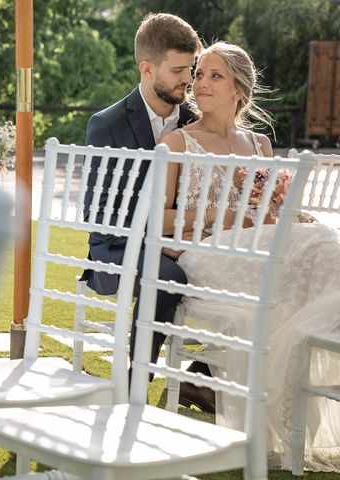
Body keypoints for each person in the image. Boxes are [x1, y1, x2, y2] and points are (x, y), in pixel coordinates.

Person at [161, 41, 340, 472]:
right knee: (315, 250)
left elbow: (270, 209)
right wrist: (215, 214)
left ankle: (296, 380)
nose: (200, 83)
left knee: (319, 242)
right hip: (205, 253)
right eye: (199, 74)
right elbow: (158, 218)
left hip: (261, 248)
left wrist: (293, 213)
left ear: (239, 89)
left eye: (213, 76)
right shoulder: (178, 141)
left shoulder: (259, 145)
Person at [81, 13, 214, 413]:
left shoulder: (196, 121)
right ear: (147, 67)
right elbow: (102, 216)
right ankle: (136, 380)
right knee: (167, 274)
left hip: (179, 243)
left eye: (190, 70)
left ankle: (206, 371)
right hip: (116, 250)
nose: (187, 80)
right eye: (177, 71)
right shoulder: (107, 125)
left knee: (242, 266)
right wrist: (161, 241)